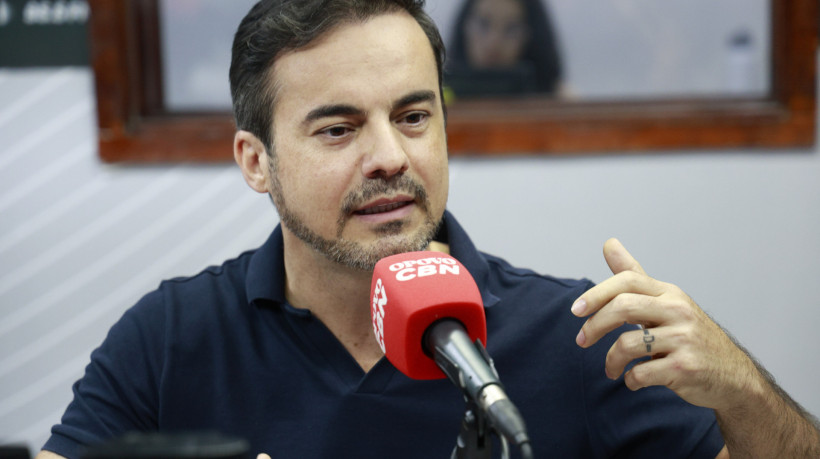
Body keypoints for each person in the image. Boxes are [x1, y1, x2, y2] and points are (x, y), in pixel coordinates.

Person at [37, 0, 819, 458]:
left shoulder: (578, 334)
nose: (390, 157)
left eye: (413, 116)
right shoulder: (169, 337)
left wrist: (742, 386)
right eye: (338, 129)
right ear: (256, 161)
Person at [446, 0, 563, 96]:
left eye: (511, 29)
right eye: (483, 24)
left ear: (532, 35)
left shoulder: (558, 102)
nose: (493, 43)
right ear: (464, 26)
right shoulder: (441, 95)